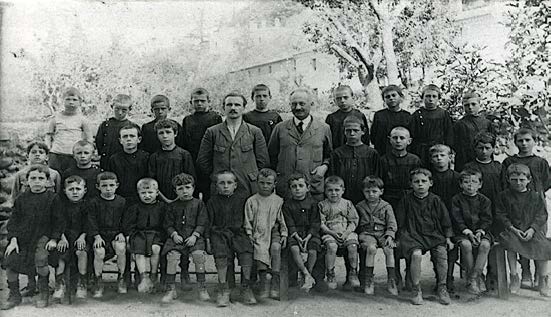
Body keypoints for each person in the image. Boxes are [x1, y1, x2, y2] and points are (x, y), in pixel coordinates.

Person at [500, 128, 551, 288]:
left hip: (535, 204)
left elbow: (547, 182)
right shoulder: (509, 162)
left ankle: (539, 277)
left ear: (534, 141)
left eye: (528, 140)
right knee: (519, 239)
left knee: (538, 239)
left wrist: (536, 193)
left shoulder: (540, 162)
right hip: (515, 205)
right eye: (520, 140)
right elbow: (504, 183)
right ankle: (525, 273)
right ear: (515, 142)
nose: (524, 143)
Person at [396, 168, 453, 305]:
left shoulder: (435, 200)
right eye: (416, 182)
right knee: (416, 255)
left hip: (433, 234)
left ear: (430, 183)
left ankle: (442, 286)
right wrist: (398, 238)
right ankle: (416, 289)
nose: (420, 184)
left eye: (424, 181)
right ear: (411, 184)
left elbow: (445, 221)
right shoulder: (406, 200)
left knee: (441, 253)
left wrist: (448, 237)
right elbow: (400, 222)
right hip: (412, 234)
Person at [2, 165, 56, 310]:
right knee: (10, 258)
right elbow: (14, 221)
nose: (37, 181)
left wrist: (54, 238)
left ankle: (43, 291)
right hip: (23, 238)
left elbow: (59, 220)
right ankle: (14, 294)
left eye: (40, 178)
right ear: (26, 181)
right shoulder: (21, 199)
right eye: (33, 178)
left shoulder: (53, 198)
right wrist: (13, 240)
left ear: (47, 181)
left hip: (43, 236)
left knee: (40, 259)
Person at [197, 91, 269, 198]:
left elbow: (263, 161)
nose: (233, 108)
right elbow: (202, 161)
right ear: (223, 108)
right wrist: (216, 177)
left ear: (244, 108)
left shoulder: (255, 132)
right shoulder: (212, 132)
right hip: (221, 187)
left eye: (237, 105)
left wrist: (251, 177)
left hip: (247, 187)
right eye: (229, 105)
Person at [495, 163, 551, 296]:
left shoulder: (535, 196)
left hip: (531, 231)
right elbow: (500, 215)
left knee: (544, 245)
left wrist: (532, 229)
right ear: (508, 179)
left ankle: (543, 280)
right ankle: (514, 276)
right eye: (514, 180)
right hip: (512, 231)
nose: (518, 183)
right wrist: (513, 229)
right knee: (510, 244)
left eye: (522, 180)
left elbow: (542, 215)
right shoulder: (503, 196)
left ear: (529, 180)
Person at [269, 87, 332, 200]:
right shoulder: (280, 128)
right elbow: (271, 155)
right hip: (286, 188)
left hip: (313, 186)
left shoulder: (324, 128)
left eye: (302, 103)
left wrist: (324, 166)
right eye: (294, 104)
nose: (298, 107)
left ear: (311, 104)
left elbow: (330, 155)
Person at [205, 171, 256, 307]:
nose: (226, 186)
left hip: (238, 232)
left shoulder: (243, 200)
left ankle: (246, 287)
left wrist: (250, 234)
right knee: (221, 255)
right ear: (216, 186)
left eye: (229, 183)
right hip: (219, 233)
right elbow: (208, 224)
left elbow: (248, 220)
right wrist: (208, 240)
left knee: (246, 252)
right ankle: (223, 289)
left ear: (235, 185)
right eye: (222, 183)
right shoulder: (212, 202)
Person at [380, 126, 421, 288]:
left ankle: (410, 273)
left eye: (402, 138)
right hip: (391, 201)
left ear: (409, 141)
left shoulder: (414, 160)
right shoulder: (384, 160)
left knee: (410, 234)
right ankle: (395, 272)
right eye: (395, 138)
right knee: (394, 236)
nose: (398, 141)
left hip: (410, 201)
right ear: (389, 140)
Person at [161, 173, 210, 303]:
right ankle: (170, 288)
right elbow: (168, 224)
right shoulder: (172, 206)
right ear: (175, 190)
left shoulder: (199, 204)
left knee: (199, 256)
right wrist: (174, 234)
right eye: (180, 189)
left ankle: (201, 286)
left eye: (188, 187)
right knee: (172, 256)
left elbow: (202, 222)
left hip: (194, 237)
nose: (185, 191)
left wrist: (195, 235)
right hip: (177, 238)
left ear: (193, 188)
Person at [463, 132, 502, 290]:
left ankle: (492, 274)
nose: (484, 151)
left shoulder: (499, 167)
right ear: (475, 148)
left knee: (490, 243)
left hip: (493, 210)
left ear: (493, 149)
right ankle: (475, 276)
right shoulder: (469, 167)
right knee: (472, 244)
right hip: (472, 211)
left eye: (487, 148)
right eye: (480, 148)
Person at [244, 168, 288, 299]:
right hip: (258, 232)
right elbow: (247, 220)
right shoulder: (252, 201)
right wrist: (249, 233)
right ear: (257, 183)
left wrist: (284, 233)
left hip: (274, 231)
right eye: (262, 182)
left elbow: (282, 220)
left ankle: (275, 281)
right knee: (260, 248)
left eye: (268, 183)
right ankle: (263, 281)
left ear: (274, 184)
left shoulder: (278, 201)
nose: (265, 186)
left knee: (276, 247)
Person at [450, 169, 493, 295]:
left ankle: (474, 277)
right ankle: (472, 277)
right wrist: (467, 232)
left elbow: (487, 218)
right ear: (460, 184)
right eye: (466, 182)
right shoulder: (456, 199)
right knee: (466, 245)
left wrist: (480, 231)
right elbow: (456, 218)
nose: (470, 185)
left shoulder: (485, 200)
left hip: (481, 232)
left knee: (485, 245)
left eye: (474, 182)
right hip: (462, 232)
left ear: (480, 184)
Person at [355, 176, 398, 295]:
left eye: (374, 191)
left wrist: (390, 235)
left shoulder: (386, 206)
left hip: (383, 232)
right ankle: (369, 280)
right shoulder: (360, 206)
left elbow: (392, 223)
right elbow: (356, 222)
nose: (371, 194)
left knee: (389, 249)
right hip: (367, 233)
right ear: (363, 192)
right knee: (371, 249)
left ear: (381, 192)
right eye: (367, 191)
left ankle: (391, 279)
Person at [87, 172, 128, 297]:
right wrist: (96, 236)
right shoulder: (93, 202)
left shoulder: (122, 201)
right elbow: (91, 220)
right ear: (98, 187)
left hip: (115, 233)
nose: (108, 189)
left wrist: (122, 232)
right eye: (104, 186)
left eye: (111, 185)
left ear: (117, 185)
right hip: (100, 235)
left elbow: (125, 219)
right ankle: (98, 279)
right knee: (99, 252)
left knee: (121, 248)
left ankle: (121, 278)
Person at [49, 175, 89, 300]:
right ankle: (59, 283)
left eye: (78, 189)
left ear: (84, 190)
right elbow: (57, 222)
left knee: (81, 252)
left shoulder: (87, 205)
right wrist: (61, 237)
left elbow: (90, 223)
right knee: (61, 252)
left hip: (82, 237)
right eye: (71, 189)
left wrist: (83, 236)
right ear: (65, 191)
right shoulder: (61, 205)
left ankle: (82, 282)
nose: (75, 192)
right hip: (65, 236)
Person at [124, 178, 166, 293]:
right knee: (138, 251)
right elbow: (129, 224)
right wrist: (129, 236)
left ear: (157, 193)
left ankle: (153, 275)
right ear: (138, 193)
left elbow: (165, 225)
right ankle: (143, 277)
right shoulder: (135, 208)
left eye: (150, 192)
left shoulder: (162, 207)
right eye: (143, 193)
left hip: (156, 234)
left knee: (155, 248)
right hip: (139, 234)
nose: (147, 196)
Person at [428, 144, 461, 292]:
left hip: (453, 218)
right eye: (435, 156)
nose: (439, 159)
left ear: (450, 157)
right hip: (434, 218)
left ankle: (449, 277)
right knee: (437, 247)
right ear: (431, 159)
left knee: (451, 247)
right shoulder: (429, 178)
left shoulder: (457, 177)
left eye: (442, 155)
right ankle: (439, 277)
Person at [318, 176, 359, 290]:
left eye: (337, 190)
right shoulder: (322, 205)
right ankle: (330, 273)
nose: (334, 193)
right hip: (330, 232)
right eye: (330, 190)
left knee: (353, 245)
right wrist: (331, 233)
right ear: (325, 191)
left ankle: (353, 272)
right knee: (331, 246)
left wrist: (346, 233)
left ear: (343, 190)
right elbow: (321, 223)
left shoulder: (347, 204)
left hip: (345, 231)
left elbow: (353, 221)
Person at [181, 88, 222, 201]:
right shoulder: (187, 120)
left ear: (209, 101)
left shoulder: (215, 117)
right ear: (191, 103)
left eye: (202, 101)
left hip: (209, 161)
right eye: (196, 101)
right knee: (192, 192)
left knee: (209, 194)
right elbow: (184, 142)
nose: (199, 103)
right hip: (192, 161)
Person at [282, 173, 320, 292]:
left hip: (310, 233)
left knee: (313, 249)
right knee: (294, 248)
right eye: (294, 186)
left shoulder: (313, 203)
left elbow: (315, 221)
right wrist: (296, 236)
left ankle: (307, 273)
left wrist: (309, 236)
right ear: (290, 189)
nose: (297, 189)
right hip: (295, 234)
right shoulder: (287, 204)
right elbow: (289, 222)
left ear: (307, 188)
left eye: (300, 185)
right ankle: (306, 273)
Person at [330, 115, 380, 204]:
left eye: (356, 130)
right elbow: (333, 177)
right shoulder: (337, 153)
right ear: (344, 132)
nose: (352, 133)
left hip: (366, 199)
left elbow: (376, 177)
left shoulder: (372, 153)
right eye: (348, 131)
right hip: (342, 198)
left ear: (363, 131)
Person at [46, 87, 94, 172]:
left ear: (80, 102)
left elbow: (89, 138)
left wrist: (86, 151)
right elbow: (48, 135)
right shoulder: (55, 118)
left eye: (74, 100)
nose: (71, 102)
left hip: (74, 155)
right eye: (68, 99)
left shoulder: (83, 120)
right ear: (62, 101)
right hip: (56, 154)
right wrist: (49, 149)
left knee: (72, 178)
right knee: (55, 178)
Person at [148, 119, 196, 202]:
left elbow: (191, 178)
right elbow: (152, 181)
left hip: (181, 198)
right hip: (161, 199)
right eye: (161, 133)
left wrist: (179, 197)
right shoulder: (154, 157)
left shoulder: (184, 155)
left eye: (168, 132)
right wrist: (164, 199)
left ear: (175, 133)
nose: (165, 136)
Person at [409, 84, 454, 166]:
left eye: (434, 96)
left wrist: (447, 150)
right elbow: (412, 135)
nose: (431, 99)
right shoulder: (417, 115)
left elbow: (449, 134)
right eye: (428, 96)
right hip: (421, 151)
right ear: (423, 98)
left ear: (438, 98)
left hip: (438, 151)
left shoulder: (443, 114)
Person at [107, 123, 150, 206]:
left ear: (139, 139)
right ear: (120, 140)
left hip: (142, 198)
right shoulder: (114, 159)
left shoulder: (146, 157)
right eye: (125, 136)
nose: (128, 139)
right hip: (120, 199)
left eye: (132, 136)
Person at [453, 91, 495, 171]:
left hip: (483, 157)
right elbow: (454, 143)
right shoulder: (458, 124)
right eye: (466, 105)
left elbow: (492, 141)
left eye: (473, 104)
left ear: (479, 104)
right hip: (465, 159)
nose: (470, 107)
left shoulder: (486, 123)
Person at [95, 94, 136, 169]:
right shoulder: (105, 125)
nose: (120, 113)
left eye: (124, 110)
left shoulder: (133, 126)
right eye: (117, 109)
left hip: (124, 162)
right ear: (112, 107)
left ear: (129, 109)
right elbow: (99, 142)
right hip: (107, 160)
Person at [370, 85, 412, 155]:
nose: (391, 98)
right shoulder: (379, 115)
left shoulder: (407, 116)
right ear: (384, 100)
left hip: (401, 153)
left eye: (393, 95)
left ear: (400, 97)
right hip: (382, 152)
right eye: (387, 97)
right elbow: (373, 136)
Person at [325, 85, 370, 149]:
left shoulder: (359, 115)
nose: (342, 101)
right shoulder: (332, 118)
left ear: (353, 98)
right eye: (338, 98)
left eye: (345, 97)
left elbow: (366, 137)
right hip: (338, 153)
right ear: (334, 101)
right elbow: (328, 139)